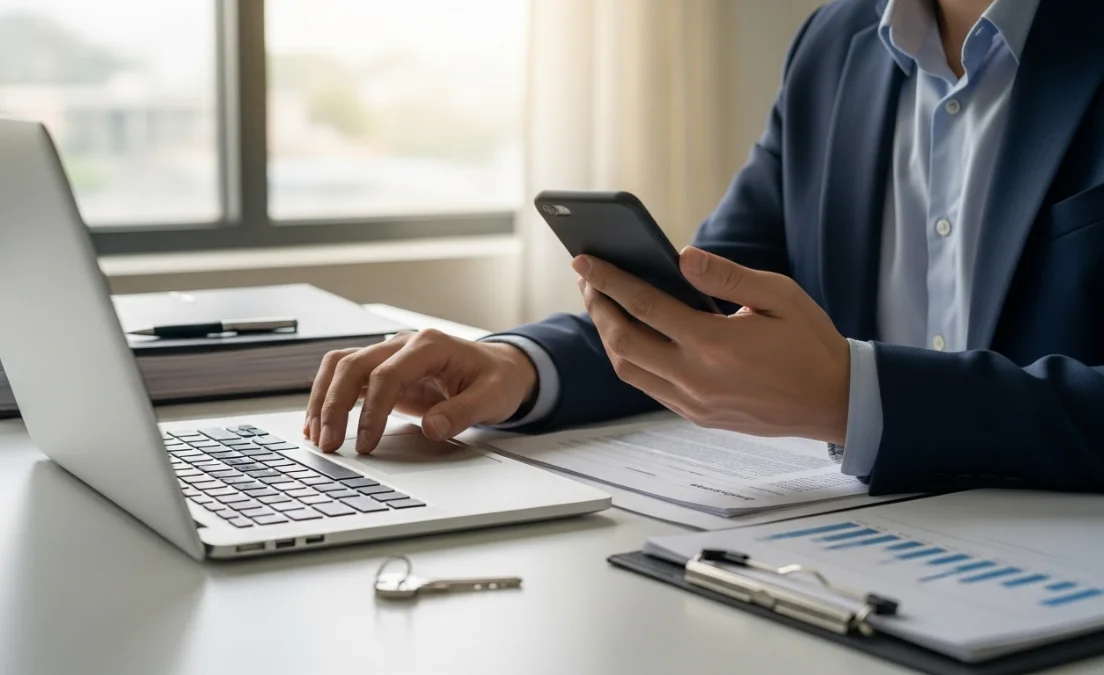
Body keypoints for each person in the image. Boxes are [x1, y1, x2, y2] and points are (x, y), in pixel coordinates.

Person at [303, 0, 1104, 495]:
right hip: (860, 557)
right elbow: (704, 297)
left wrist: (857, 398)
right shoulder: (834, 46)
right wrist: (517, 366)